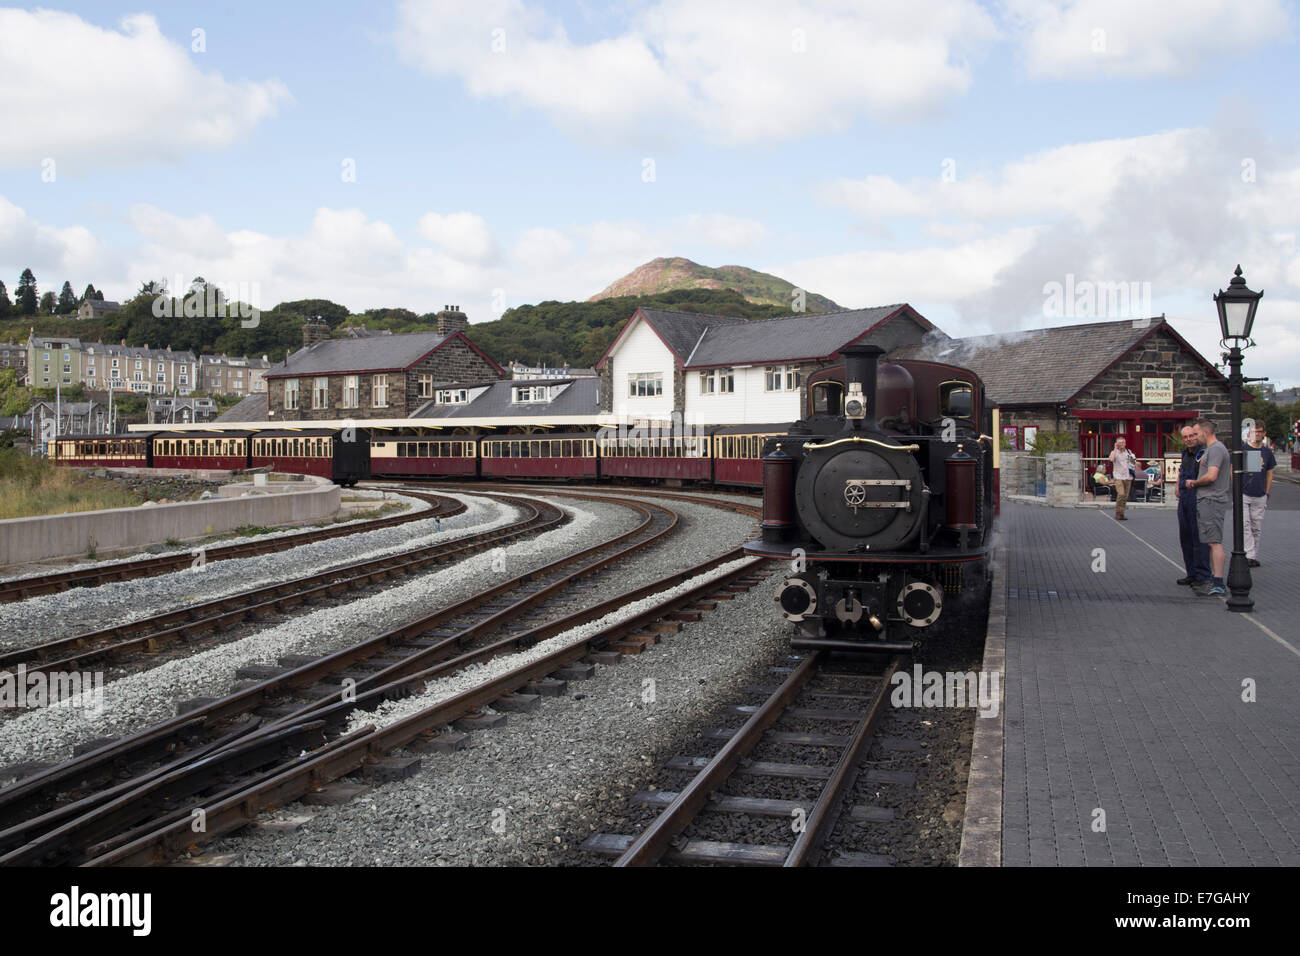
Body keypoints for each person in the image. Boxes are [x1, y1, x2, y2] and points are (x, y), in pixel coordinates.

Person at [1185, 419, 1230, 596]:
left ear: (1206, 432)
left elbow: (1211, 476)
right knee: (1211, 541)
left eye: (1196, 434)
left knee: (1214, 542)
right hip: (1207, 500)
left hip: (1212, 500)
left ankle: (1218, 582)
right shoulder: (1213, 449)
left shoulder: (1216, 449)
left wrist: (1194, 482)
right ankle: (1214, 578)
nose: (1195, 437)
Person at [1174, 425, 1211, 588]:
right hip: (1184, 499)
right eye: (1185, 437)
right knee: (1186, 538)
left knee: (1199, 539)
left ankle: (1202, 574)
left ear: (1197, 436)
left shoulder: (1203, 453)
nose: (1189, 439)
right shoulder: (1185, 454)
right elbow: (1181, 471)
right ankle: (1191, 573)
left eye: (1191, 436)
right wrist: (1177, 485)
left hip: (1197, 497)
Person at [1242, 424, 1276, 567]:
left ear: (1264, 433)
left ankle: (1253, 555)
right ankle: (1249, 554)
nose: (1256, 434)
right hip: (1244, 493)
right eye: (1254, 432)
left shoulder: (1266, 452)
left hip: (1260, 494)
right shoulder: (1245, 449)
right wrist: (1236, 487)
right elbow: (1235, 469)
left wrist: (1267, 491)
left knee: (1256, 526)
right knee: (1245, 524)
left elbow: (1268, 473)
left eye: (1259, 432)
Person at [1108, 437, 1137, 519]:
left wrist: (1132, 459)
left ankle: (1122, 513)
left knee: (1125, 496)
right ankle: (1118, 512)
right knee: (1121, 494)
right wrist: (1115, 448)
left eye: (1123, 442)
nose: (1122, 444)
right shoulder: (1114, 452)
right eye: (1120, 442)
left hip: (1127, 476)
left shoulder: (1128, 452)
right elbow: (1111, 459)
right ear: (1116, 443)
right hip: (1118, 476)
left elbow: (1133, 463)